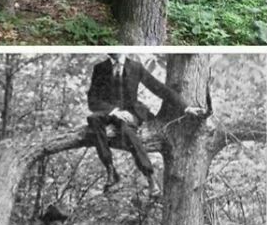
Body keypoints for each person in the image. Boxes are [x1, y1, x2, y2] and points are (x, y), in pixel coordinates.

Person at [87, 53, 204, 195]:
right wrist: (114, 111)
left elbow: (160, 89)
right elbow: (92, 100)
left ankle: (150, 179)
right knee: (93, 119)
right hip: (110, 112)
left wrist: (186, 107)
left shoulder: (136, 67)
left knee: (127, 131)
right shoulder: (100, 68)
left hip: (131, 112)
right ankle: (111, 170)